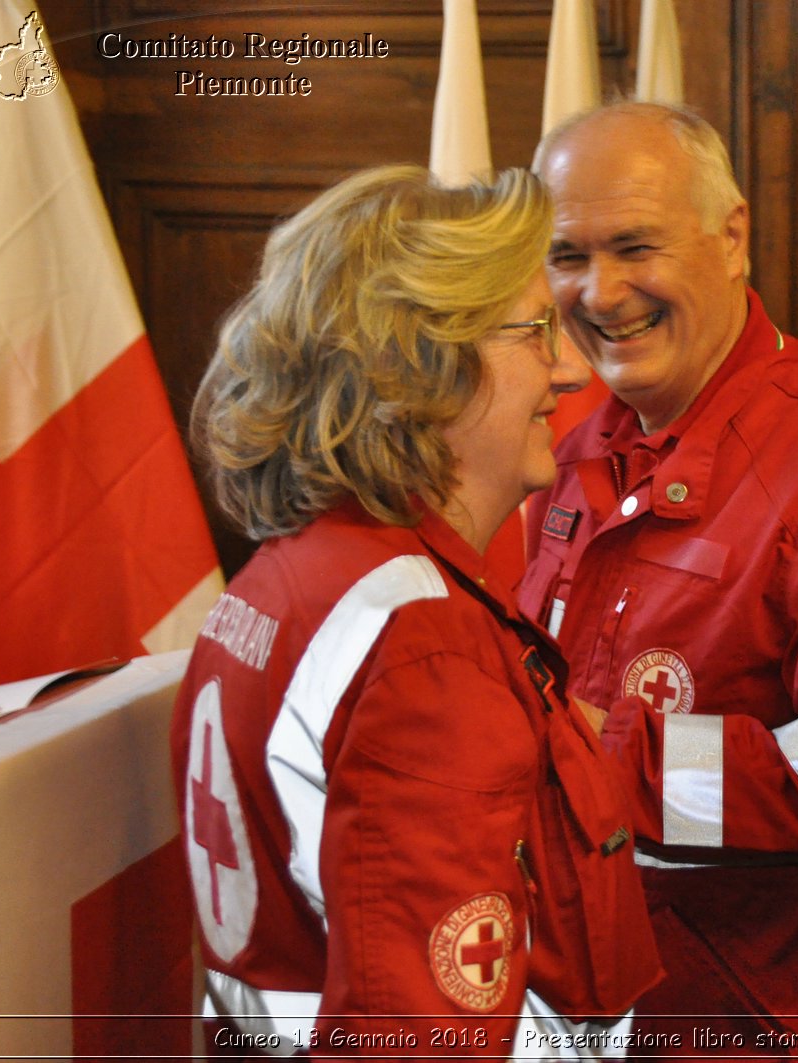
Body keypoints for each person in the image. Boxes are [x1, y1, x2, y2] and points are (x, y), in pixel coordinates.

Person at [170, 165, 661, 1058]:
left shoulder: (284, 580)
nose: (566, 367)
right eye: (533, 331)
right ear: (420, 364)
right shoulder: (419, 644)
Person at [520, 102, 798, 1050]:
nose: (599, 293)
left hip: (768, 1023)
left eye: (636, 246)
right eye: (567, 256)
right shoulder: (571, 444)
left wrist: (596, 762)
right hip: (612, 1009)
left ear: (731, 240)